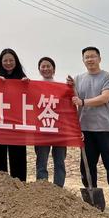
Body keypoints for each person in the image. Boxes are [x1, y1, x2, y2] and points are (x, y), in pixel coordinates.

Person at [68, 46, 109, 213]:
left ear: (99, 58)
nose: (90, 60)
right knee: (87, 165)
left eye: (93, 56)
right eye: (87, 57)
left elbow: (105, 97)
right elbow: (71, 97)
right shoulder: (78, 79)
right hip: (85, 130)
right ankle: (91, 195)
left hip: (106, 129)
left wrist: (83, 102)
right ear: (83, 60)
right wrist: (69, 86)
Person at [0, 48, 28, 181]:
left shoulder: (23, 78)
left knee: (18, 153)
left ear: (16, 61)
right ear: (0, 62)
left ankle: (19, 184)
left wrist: (27, 85)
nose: (8, 63)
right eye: (5, 60)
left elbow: (31, 98)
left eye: (11, 60)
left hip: (17, 122)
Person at [34, 57, 67, 187]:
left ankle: (59, 189)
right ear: (39, 69)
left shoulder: (62, 87)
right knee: (41, 160)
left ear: (54, 68)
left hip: (60, 129)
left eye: (48, 66)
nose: (46, 69)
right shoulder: (34, 85)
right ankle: (43, 188)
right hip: (42, 129)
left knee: (59, 161)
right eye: (43, 66)